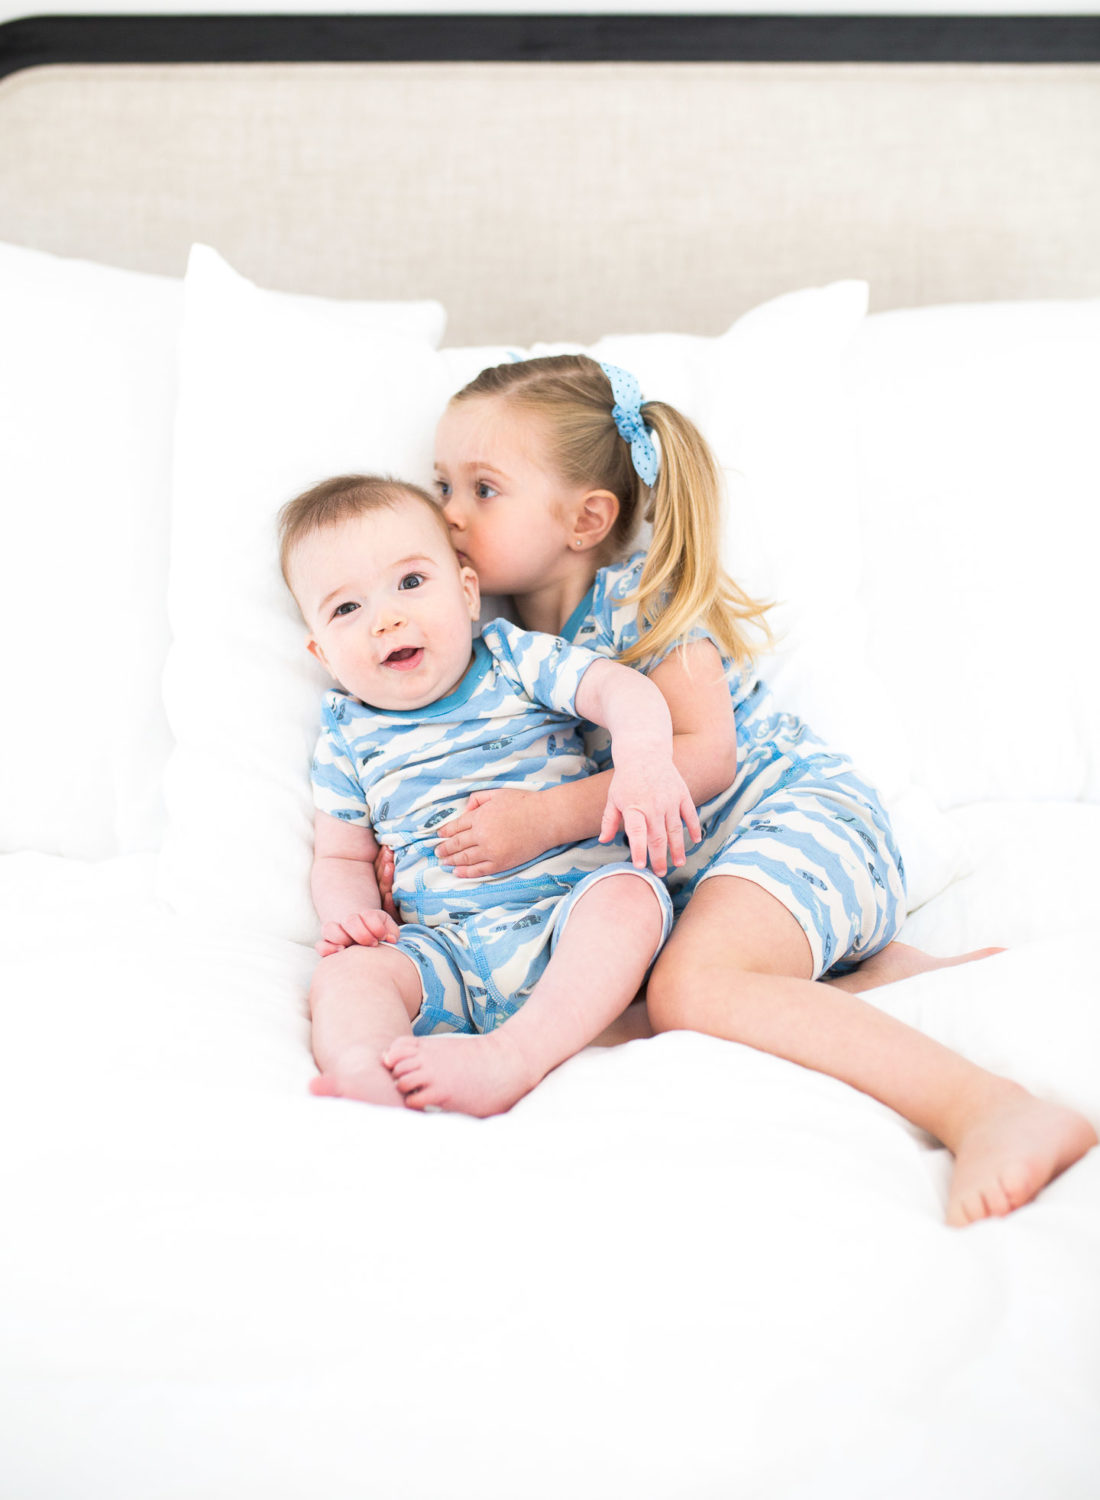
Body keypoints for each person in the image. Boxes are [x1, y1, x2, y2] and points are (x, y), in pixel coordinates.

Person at [410, 352, 1096, 1224]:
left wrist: (548, 817)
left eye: (482, 489)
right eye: (441, 485)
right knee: (592, 1001)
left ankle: (993, 1108)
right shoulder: (495, 640)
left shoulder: (640, 603)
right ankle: (894, 978)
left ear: (586, 518)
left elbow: (706, 758)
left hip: (802, 818)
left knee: (690, 990)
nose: (450, 515)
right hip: (728, 874)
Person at [278, 473, 697, 1117]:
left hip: (567, 921)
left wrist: (643, 763)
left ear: (468, 593)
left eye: (411, 583)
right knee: (347, 974)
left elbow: (620, 689)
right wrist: (353, 918)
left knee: (631, 897)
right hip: (443, 952)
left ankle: (517, 1055)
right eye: (346, 609)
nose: (386, 618)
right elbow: (339, 858)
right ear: (322, 652)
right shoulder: (346, 735)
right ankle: (368, 1067)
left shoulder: (512, 659)